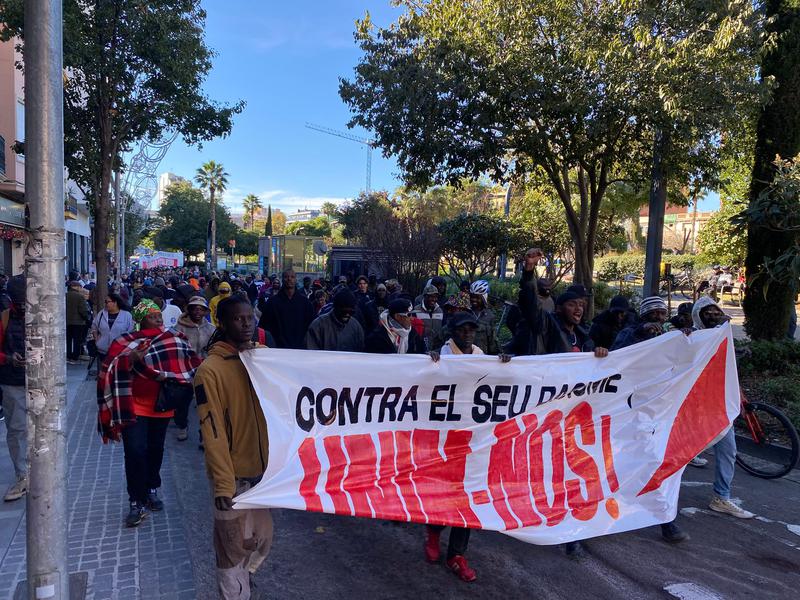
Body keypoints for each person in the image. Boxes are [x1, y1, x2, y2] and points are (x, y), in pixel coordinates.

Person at [194, 296, 273, 599]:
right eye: (238, 319)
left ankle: (243, 586)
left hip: (262, 478)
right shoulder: (210, 371)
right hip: (233, 481)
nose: (246, 324)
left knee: (261, 540)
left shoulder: (263, 361)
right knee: (231, 554)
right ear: (223, 323)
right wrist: (223, 486)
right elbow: (213, 433)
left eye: (250, 318)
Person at [97, 299, 201, 527]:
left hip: (161, 408)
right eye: (153, 316)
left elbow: (190, 363)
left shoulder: (173, 339)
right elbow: (109, 369)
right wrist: (131, 360)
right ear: (141, 320)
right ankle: (136, 500)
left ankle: (152, 487)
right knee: (135, 452)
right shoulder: (125, 343)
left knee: (155, 450)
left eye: (159, 316)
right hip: (133, 406)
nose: (158, 320)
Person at [424, 312, 510, 582]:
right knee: (443, 490)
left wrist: (505, 365)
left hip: (475, 437)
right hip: (446, 436)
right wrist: (430, 365)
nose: (469, 333)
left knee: (467, 495)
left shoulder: (482, 355)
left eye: (472, 329)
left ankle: (457, 555)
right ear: (453, 332)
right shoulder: (441, 357)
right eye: (463, 329)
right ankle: (434, 532)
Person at [609, 295, 690, 543]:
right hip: (630, 412)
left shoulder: (671, 335)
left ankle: (666, 521)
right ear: (644, 315)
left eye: (662, 314)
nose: (659, 318)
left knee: (655, 464)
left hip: (660, 413)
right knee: (618, 465)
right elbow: (617, 356)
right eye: (653, 314)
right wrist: (640, 335)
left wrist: (688, 337)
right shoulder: (629, 333)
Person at [691, 296, 754, 519]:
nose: (712, 315)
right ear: (698, 316)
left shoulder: (723, 338)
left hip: (718, 407)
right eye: (707, 312)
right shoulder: (694, 338)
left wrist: (736, 396)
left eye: (715, 311)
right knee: (679, 451)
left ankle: (721, 497)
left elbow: (727, 371)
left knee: (728, 450)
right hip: (695, 408)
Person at [173, 296, 216, 442]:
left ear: (205, 311)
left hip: (204, 371)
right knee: (182, 402)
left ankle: (204, 433)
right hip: (183, 370)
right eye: (194, 308)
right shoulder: (178, 328)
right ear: (189, 309)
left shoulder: (211, 329)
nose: (198, 311)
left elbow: (214, 348)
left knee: (204, 403)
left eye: (201, 309)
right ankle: (182, 427)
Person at [0, 276, 27, 501]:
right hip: (13, 382)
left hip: (42, 381)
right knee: (18, 430)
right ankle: (23, 476)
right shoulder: (5, 318)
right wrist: (9, 358)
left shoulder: (46, 315)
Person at [258, 269, 315, 349]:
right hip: (276, 349)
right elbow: (263, 327)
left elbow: (311, 327)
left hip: (300, 349)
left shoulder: (305, 303)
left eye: (292, 277)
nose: (289, 279)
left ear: (295, 280)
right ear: (282, 279)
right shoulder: (272, 302)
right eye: (286, 277)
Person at [91, 293, 134, 365]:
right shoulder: (102, 313)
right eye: (105, 302)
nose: (106, 304)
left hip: (120, 351)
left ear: (115, 302)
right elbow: (94, 327)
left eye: (108, 302)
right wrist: (97, 340)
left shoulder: (126, 315)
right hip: (103, 349)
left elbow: (130, 331)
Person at [468, 280, 498, 354]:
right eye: (472, 297)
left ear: (484, 297)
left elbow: (493, 340)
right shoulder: (465, 313)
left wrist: (499, 354)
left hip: (482, 358)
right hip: (465, 357)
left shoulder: (490, 316)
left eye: (477, 297)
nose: (474, 300)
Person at [413, 285, 445, 352]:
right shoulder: (416, 310)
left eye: (436, 297)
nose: (434, 299)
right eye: (431, 296)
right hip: (420, 350)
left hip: (437, 350)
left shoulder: (440, 311)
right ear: (424, 296)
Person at [66, 280, 89, 364]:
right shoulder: (80, 297)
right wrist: (86, 318)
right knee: (77, 340)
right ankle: (75, 357)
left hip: (67, 322)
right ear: (75, 287)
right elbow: (83, 310)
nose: (80, 288)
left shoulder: (65, 295)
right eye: (79, 286)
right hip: (78, 322)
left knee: (68, 340)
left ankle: (68, 355)